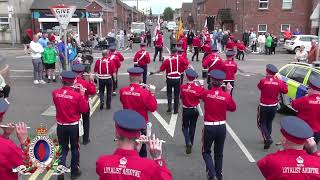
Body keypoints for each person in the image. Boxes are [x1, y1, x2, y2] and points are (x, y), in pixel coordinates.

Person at [96, 109, 172, 179]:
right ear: (138, 136)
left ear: (116, 134)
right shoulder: (149, 166)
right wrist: (157, 158)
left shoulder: (102, 162)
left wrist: (135, 152)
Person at [52, 71, 89, 179]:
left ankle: (61, 171)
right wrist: (82, 95)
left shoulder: (55, 93)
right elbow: (84, 109)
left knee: (62, 149)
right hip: (73, 125)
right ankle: (74, 171)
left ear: (62, 81)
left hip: (61, 125)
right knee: (74, 148)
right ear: (73, 81)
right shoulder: (77, 96)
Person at [201, 70, 236, 180]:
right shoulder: (226, 96)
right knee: (219, 153)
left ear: (211, 80)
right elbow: (232, 108)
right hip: (221, 127)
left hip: (209, 126)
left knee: (206, 151)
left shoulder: (206, 94)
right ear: (222, 83)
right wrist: (228, 92)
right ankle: (219, 176)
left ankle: (212, 173)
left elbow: (200, 94)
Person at [119, 67, 157, 157]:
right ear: (140, 78)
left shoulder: (122, 91)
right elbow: (153, 108)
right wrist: (152, 93)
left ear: (129, 77)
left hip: (127, 123)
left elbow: (123, 101)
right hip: (140, 124)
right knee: (142, 150)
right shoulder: (144, 92)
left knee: (128, 147)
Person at [257, 64, 288, 149]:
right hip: (274, 106)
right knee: (269, 122)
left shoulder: (263, 81)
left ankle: (268, 138)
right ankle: (267, 138)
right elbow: (285, 91)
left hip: (264, 105)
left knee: (261, 123)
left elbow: (259, 87)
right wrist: (281, 81)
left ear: (267, 71)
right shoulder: (279, 82)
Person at [152, 48, 189, 114]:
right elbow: (187, 64)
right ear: (176, 52)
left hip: (169, 78)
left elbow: (161, 69)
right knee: (176, 94)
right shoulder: (180, 59)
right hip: (177, 78)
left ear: (171, 52)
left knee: (169, 94)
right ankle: (175, 110)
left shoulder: (167, 60)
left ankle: (169, 107)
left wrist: (154, 72)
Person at [0, 97, 29, 180]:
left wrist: (5, 136)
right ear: (1, 118)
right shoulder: (7, 146)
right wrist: (25, 142)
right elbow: (28, 166)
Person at [180, 69, 204, 154]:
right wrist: (201, 85)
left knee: (184, 127)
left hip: (186, 109)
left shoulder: (183, 87)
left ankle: (188, 141)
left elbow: (181, 96)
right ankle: (191, 142)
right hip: (195, 109)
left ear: (187, 77)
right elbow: (202, 95)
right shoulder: (197, 88)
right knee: (193, 126)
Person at [72, 64, 96, 145]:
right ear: (82, 72)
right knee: (86, 121)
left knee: (74, 121)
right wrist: (91, 80)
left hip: (73, 104)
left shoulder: (70, 81)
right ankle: (85, 139)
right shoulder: (84, 82)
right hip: (83, 104)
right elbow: (92, 92)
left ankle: (74, 139)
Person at [292, 78, 320, 144]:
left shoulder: (305, 99)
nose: (307, 90)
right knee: (310, 151)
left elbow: (293, 104)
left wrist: (304, 96)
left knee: (299, 149)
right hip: (317, 132)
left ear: (312, 89)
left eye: (308, 88)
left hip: (303, 130)